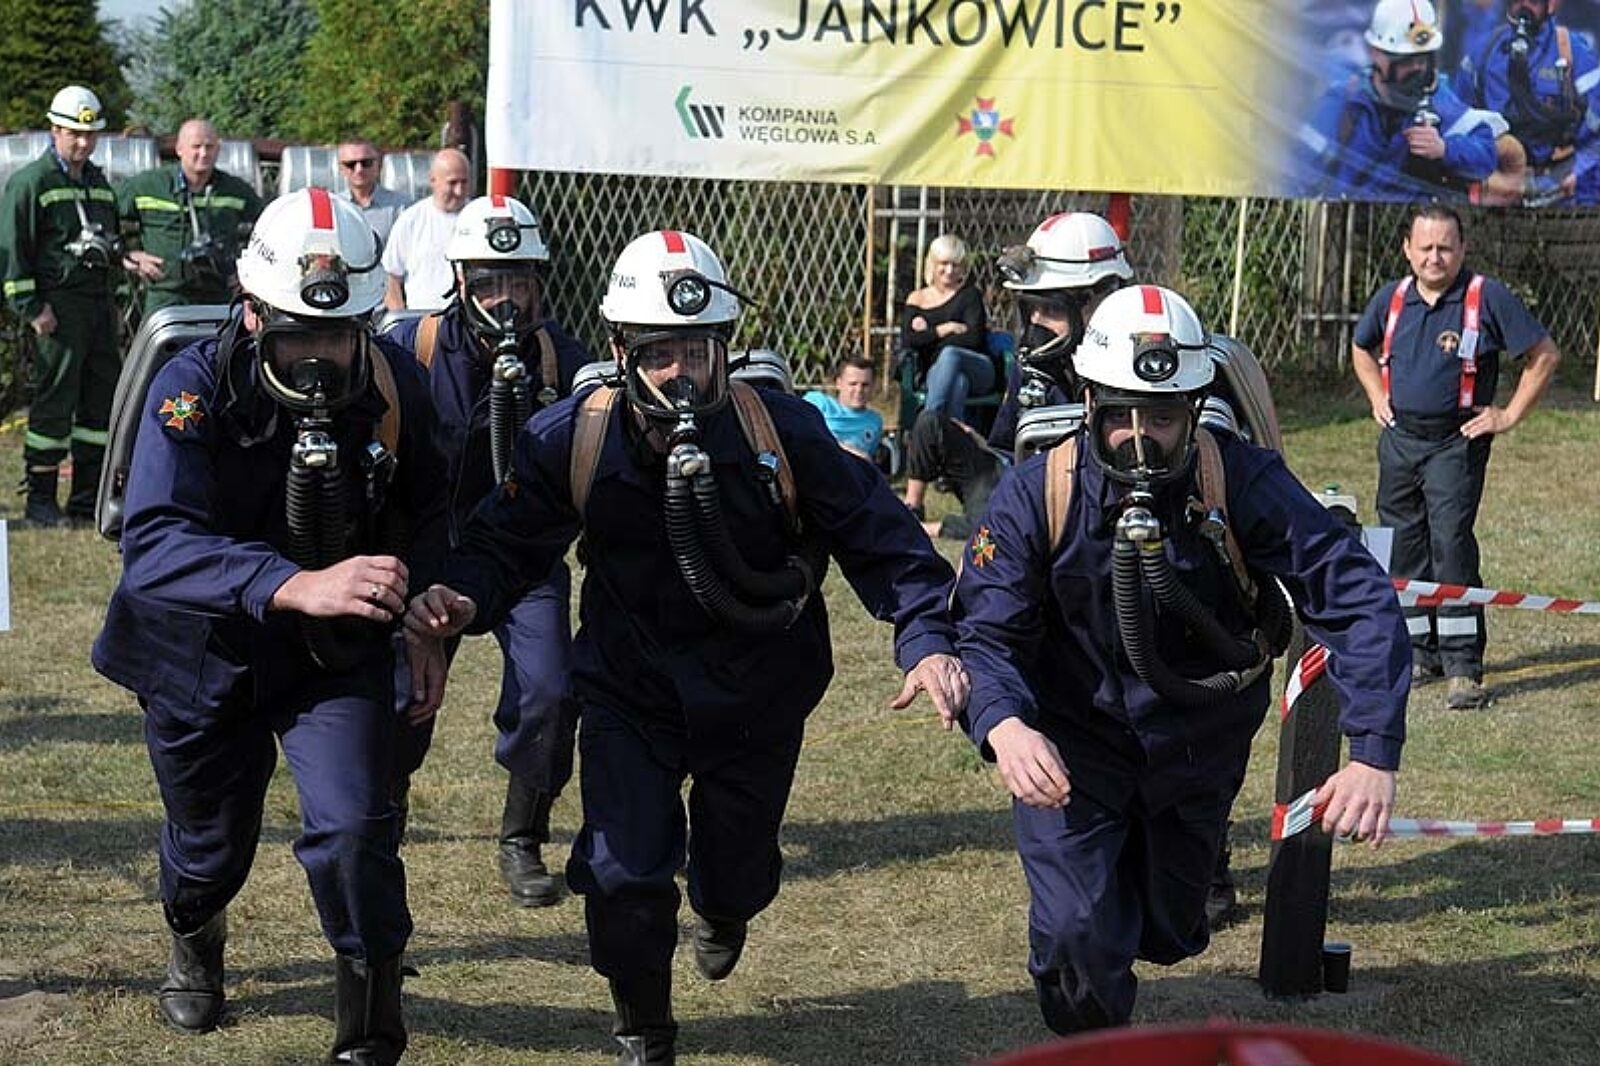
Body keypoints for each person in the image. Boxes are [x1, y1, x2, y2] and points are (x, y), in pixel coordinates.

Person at [404, 230, 967, 1065]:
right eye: (658, 353)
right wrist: (460, 595)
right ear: (621, 352)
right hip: (631, 689)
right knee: (623, 870)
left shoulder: (782, 431)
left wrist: (924, 639)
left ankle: (724, 907)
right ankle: (645, 1025)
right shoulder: (573, 437)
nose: (680, 373)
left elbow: (880, 536)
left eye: (696, 351)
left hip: (759, 691)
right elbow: (501, 540)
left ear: (723, 351)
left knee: (737, 872)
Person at [954, 284, 1410, 1036]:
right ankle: (1095, 1037)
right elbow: (984, 629)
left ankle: (1122, 929)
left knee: (1170, 928)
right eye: (1121, 414)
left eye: (1162, 417)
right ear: (1089, 402)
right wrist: (1004, 724)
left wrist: (1373, 750)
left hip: (1198, 742)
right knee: (1076, 937)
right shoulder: (1037, 496)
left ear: (1194, 411)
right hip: (1074, 748)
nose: (1140, 437)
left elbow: (1355, 594)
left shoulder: (1241, 481)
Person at [89, 188, 449, 1064]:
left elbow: (437, 512)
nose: (320, 358)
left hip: (334, 655)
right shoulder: (191, 388)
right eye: (297, 336)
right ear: (252, 314)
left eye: (338, 335)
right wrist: (293, 582)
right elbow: (155, 545)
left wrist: (429, 615)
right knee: (210, 849)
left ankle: (369, 1035)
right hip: (201, 654)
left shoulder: (394, 385)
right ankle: (195, 927)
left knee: (356, 831)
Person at [385, 193, 593, 908]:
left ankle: (522, 836)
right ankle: (382, 820)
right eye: (490, 281)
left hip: (523, 558)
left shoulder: (564, 360)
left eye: (519, 281)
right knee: (403, 699)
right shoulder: (409, 348)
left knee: (551, 691)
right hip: (427, 557)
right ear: (459, 279)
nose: (506, 298)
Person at [1351, 203, 1559, 710]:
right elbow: (1360, 348)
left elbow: (1544, 355)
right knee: (1402, 547)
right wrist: (1377, 395)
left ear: (1463, 249)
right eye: (1425, 247)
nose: (1435, 257)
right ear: (1407, 249)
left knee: (1450, 547)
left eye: (1445, 247)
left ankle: (1463, 667)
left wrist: (1508, 415)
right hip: (1400, 441)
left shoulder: (1486, 297)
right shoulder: (1392, 298)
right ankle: (1417, 653)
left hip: (1455, 443)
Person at [903, 211, 1132, 537]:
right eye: (1030, 309)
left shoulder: (1129, 370)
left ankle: (965, 525)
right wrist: (978, 443)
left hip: (1087, 508)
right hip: (1028, 488)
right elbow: (1008, 451)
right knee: (935, 429)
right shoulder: (1033, 366)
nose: (1036, 322)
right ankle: (918, 509)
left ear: (1101, 299)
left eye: (1051, 309)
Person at [0, 85, 124, 528]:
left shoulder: (99, 183)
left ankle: (86, 499)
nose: (83, 143)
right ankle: (41, 500)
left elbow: (112, 245)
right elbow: (13, 254)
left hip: (97, 308)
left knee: (99, 403)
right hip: (57, 311)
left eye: (90, 135)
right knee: (55, 403)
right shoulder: (31, 182)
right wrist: (33, 309)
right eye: (75, 134)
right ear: (54, 130)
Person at [1298, 0, 1501, 201]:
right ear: (1375, 54)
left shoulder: (1442, 104)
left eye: (1423, 59)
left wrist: (1444, 149)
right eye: (1405, 61)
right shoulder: (1344, 101)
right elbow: (1297, 167)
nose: (1417, 68)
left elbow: (1486, 155)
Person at [1457, 0, 1600, 206]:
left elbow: (1596, 136)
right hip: (1500, 189)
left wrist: (1577, 173)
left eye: (1533, 1)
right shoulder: (1484, 53)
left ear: (1549, 5)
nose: (1524, 6)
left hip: (1562, 190)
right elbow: (1460, 123)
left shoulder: (1574, 54)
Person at [118, 118, 264, 316]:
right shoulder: (148, 186)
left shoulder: (235, 190)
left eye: (209, 147)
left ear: (218, 149)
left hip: (218, 296)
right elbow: (104, 214)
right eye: (196, 146)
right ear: (179, 149)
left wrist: (250, 271)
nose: (203, 153)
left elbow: (268, 228)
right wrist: (128, 254)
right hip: (165, 296)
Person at [899, 232, 993, 424]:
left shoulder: (970, 295)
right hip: (936, 372)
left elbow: (974, 339)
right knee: (958, 383)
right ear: (932, 264)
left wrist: (928, 337)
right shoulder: (917, 298)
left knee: (950, 354)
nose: (949, 270)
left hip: (978, 368)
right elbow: (908, 341)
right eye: (944, 263)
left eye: (955, 265)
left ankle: (927, 423)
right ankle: (950, 439)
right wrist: (944, 329)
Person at [382, 148, 472, 311]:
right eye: (452, 183)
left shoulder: (477, 217)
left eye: (464, 182)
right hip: (422, 317)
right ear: (433, 180)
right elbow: (391, 277)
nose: (459, 191)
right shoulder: (411, 219)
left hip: (468, 317)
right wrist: (400, 317)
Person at [801, 353, 883, 461]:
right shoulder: (818, 403)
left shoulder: (874, 421)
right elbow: (805, 436)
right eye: (853, 384)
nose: (859, 390)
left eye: (865, 385)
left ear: (873, 386)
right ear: (838, 383)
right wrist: (847, 450)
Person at [336, 139, 410, 243]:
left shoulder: (402, 207)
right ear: (341, 169)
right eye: (350, 164)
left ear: (379, 164)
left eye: (366, 163)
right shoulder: (334, 206)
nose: (359, 169)